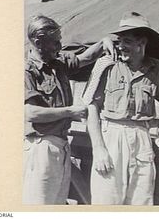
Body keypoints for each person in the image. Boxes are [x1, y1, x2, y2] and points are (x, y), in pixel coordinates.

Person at [82, 11, 159, 205]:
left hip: (141, 137)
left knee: (140, 201)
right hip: (111, 136)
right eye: (119, 40)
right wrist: (99, 149)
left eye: (126, 41)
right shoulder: (107, 66)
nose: (120, 46)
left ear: (141, 43)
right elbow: (91, 106)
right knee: (106, 200)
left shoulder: (156, 68)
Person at [23, 15, 115, 205]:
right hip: (41, 146)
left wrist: (103, 41)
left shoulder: (57, 63)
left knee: (57, 203)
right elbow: (31, 113)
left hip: (62, 145)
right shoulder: (27, 71)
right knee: (39, 203)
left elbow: (85, 58)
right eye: (55, 42)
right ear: (39, 42)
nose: (60, 46)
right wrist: (70, 112)